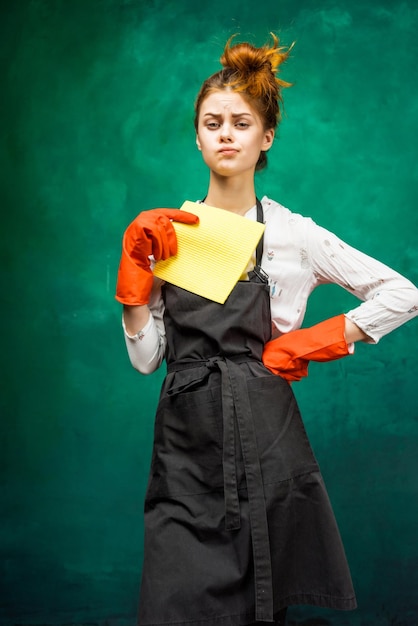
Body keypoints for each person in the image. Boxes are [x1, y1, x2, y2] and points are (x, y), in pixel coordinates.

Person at [115, 33, 418, 626]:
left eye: (241, 122)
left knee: (261, 604)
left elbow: (403, 293)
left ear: (266, 137)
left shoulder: (292, 235)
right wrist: (132, 292)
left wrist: (324, 337)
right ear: (197, 136)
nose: (226, 133)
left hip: (265, 443)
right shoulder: (166, 234)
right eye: (212, 122)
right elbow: (149, 360)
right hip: (185, 450)